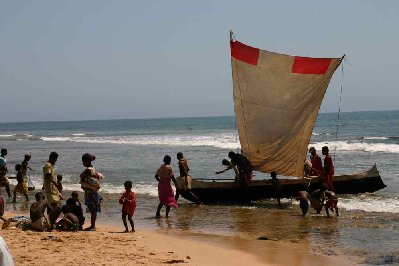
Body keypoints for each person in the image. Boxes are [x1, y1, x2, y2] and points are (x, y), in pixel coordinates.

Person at [80, 153, 103, 231]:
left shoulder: (87, 170)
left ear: (86, 161)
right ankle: (93, 225)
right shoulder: (92, 168)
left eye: (83, 161)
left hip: (90, 192)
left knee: (92, 210)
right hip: (92, 191)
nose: (82, 163)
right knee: (93, 210)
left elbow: (82, 176)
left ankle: (92, 226)